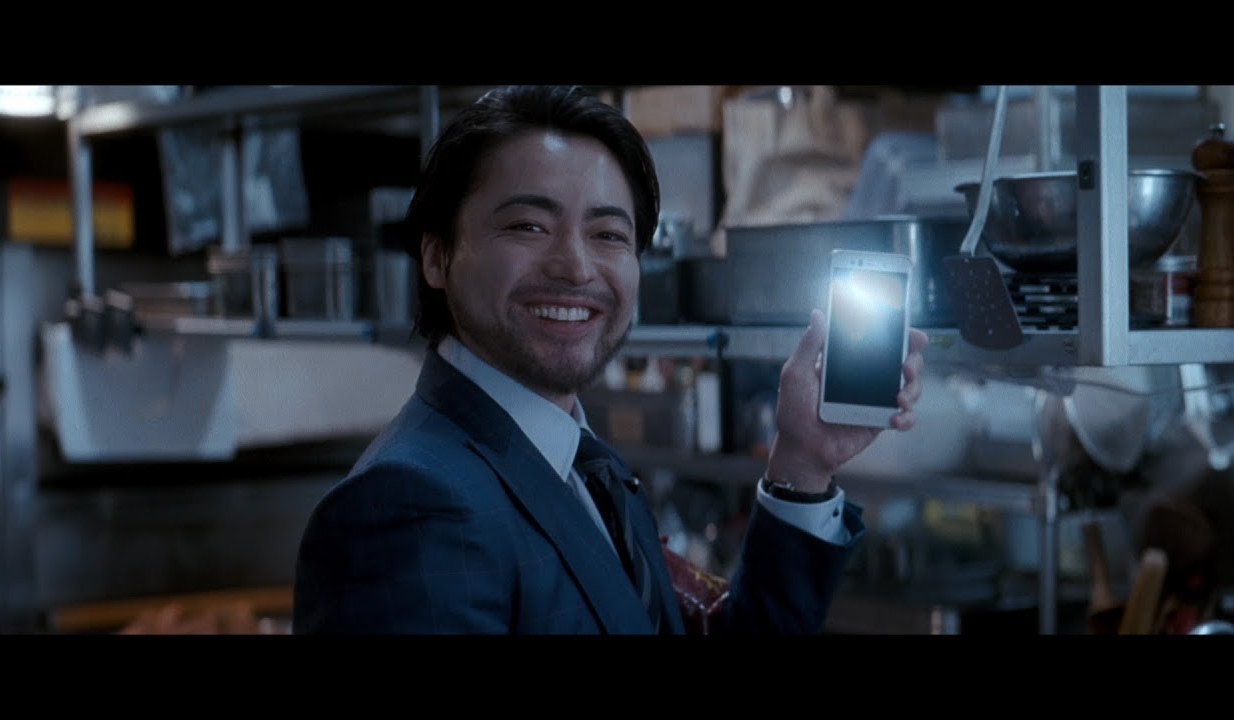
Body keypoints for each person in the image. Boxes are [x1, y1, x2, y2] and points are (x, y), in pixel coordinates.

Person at [292, 85, 928, 634]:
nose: (576, 267)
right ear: (436, 257)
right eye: (528, 226)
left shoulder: (584, 464)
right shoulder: (408, 506)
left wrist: (802, 462)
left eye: (608, 234)